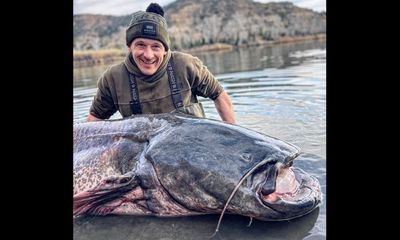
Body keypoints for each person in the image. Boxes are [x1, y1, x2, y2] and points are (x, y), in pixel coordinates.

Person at [86, 3, 236, 124]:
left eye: (156, 46)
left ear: (165, 49)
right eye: (141, 45)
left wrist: (236, 138)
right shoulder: (112, 79)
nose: (148, 55)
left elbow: (219, 95)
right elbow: (94, 120)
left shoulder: (186, 65)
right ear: (129, 47)